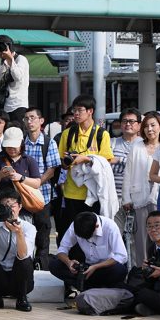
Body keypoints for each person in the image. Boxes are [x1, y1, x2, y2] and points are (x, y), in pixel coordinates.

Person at [57, 95, 113, 242]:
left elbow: (106, 162)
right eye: (74, 110)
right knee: (74, 233)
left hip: (93, 193)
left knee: (93, 233)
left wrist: (86, 159)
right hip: (72, 192)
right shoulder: (67, 134)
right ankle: (74, 263)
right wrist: (68, 161)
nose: (75, 113)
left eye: (79, 110)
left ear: (90, 111)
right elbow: (62, 163)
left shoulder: (101, 134)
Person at [49, 211, 128, 299]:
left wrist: (96, 267)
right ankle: (91, 287)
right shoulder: (75, 225)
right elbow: (62, 249)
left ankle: (89, 287)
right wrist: (68, 262)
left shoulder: (110, 227)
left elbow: (122, 256)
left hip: (104, 268)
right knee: (54, 264)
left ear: (96, 226)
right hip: (86, 268)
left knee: (119, 270)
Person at [122, 112, 160, 266]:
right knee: (142, 240)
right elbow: (128, 173)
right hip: (140, 198)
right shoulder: (137, 146)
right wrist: (126, 198)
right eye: (146, 126)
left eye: (153, 125)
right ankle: (142, 272)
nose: (149, 129)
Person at [22, 107, 61, 269]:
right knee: (24, 232)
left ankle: (42, 266)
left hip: (42, 197)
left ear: (41, 120)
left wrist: (37, 182)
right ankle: (25, 266)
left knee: (43, 234)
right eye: (26, 118)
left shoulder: (49, 143)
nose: (29, 121)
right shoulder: (21, 142)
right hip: (23, 196)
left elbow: (52, 169)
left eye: (32, 117)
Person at [0, 126, 41, 197]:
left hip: (23, 202)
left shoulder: (29, 160)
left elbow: (37, 183)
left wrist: (21, 178)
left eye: (14, 146)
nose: (11, 149)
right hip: (3, 202)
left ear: (21, 144)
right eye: (8, 146)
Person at [110, 108, 142, 230]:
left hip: (138, 200)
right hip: (115, 199)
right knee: (115, 237)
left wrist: (119, 160)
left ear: (139, 125)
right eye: (124, 121)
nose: (128, 124)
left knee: (135, 241)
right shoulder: (111, 143)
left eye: (132, 121)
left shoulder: (144, 145)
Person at [0, 34, 29, 122]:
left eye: (1, 48)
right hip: (5, 105)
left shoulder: (21, 59)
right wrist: (6, 62)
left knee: (17, 132)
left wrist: (11, 59)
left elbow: (18, 76)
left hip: (18, 105)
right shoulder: (3, 62)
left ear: (9, 47)